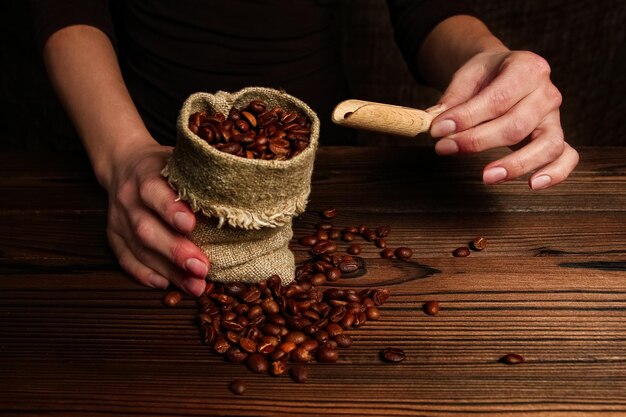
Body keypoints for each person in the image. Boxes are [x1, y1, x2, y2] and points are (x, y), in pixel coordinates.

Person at [30, 0, 579, 297]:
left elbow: (429, 11)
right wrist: (121, 152)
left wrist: (489, 61)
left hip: (323, 170)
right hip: (148, 162)